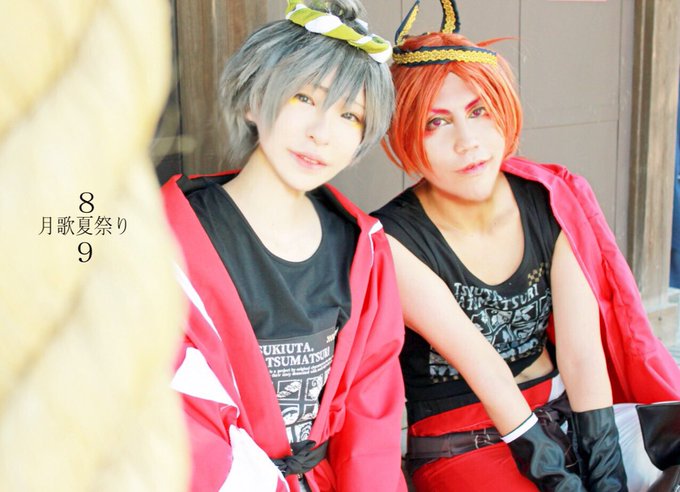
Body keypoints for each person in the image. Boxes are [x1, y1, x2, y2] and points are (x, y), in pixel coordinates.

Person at [371, 1, 680, 491]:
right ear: (405, 133)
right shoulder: (393, 239)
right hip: (463, 440)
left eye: (479, 111)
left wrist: (607, 477)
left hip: (563, 408)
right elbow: (486, 369)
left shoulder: (550, 198)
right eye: (436, 122)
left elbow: (581, 355)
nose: (468, 141)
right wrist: (558, 481)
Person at [162, 1, 407, 490]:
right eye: (303, 98)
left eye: (350, 115)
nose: (321, 133)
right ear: (253, 102)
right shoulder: (169, 240)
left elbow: (371, 420)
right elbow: (173, 418)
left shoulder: (360, 249)